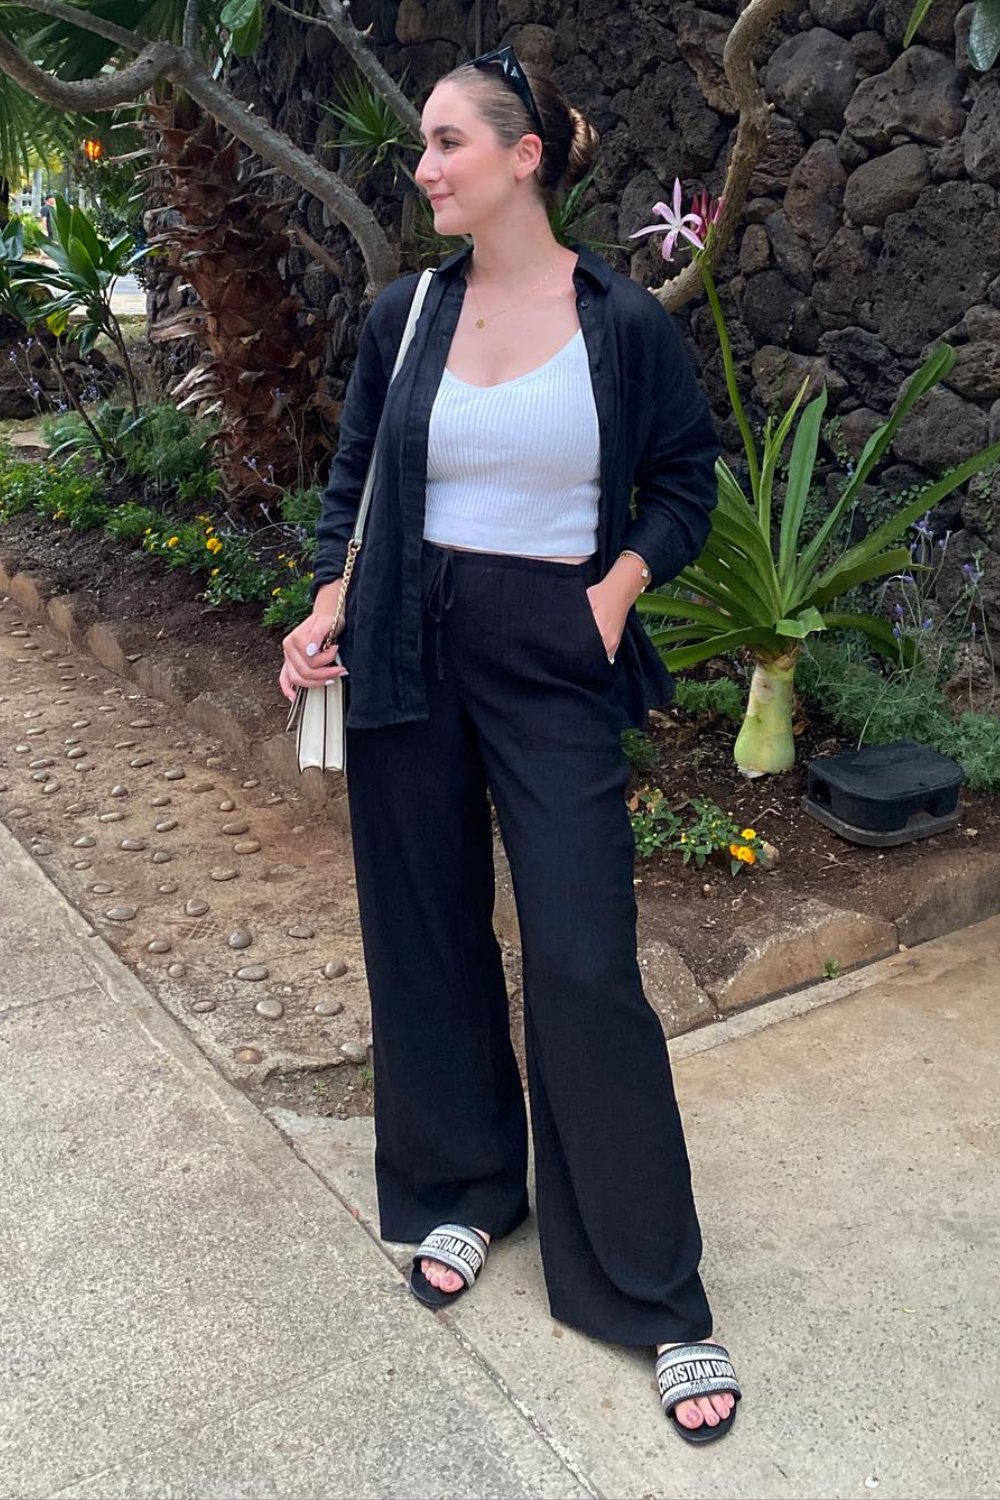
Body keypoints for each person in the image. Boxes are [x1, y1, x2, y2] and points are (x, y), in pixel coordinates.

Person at [280, 45, 742, 1444]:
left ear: (522, 155)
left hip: (554, 652)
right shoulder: (404, 315)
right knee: (422, 930)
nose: (421, 168)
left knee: (585, 960)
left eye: (444, 143)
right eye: (423, 147)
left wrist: (612, 594)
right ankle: (465, 1188)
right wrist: (323, 607)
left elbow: (682, 483)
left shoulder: (622, 323)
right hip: (412, 636)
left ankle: (650, 1289)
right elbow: (357, 478)